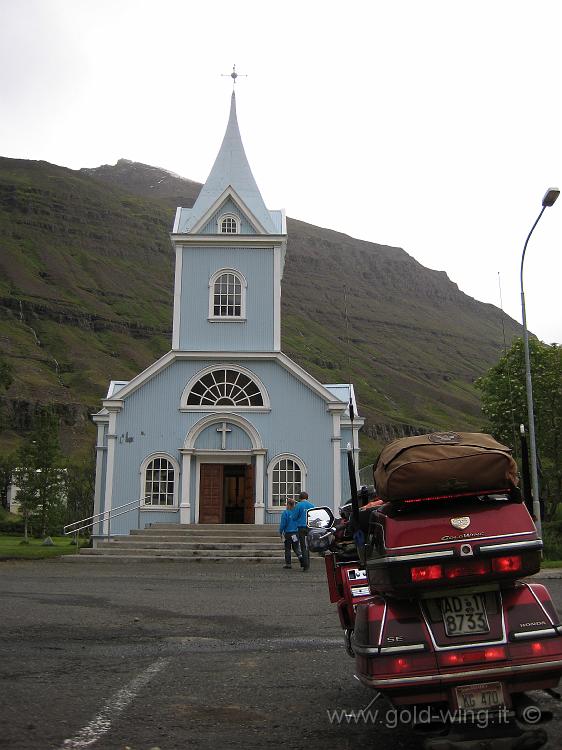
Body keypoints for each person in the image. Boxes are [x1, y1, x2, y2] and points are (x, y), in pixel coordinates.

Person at [294, 491, 315, 571]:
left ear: (300, 497)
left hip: (301, 527)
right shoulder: (312, 505)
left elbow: (294, 517)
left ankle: (305, 565)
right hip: (309, 527)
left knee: (303, 546)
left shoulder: (298, 505)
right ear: (307, 497)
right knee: (308, 545)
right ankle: (308, 564)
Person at [278, 498, 302, 569]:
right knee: (296, 548)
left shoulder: (285, 513)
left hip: (288, 534)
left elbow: (283, 524)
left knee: (287, 548)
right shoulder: (296, 513)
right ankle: (301, 557)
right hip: (295, 533)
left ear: (288, 505)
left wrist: (280, 532)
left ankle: (288, 564)